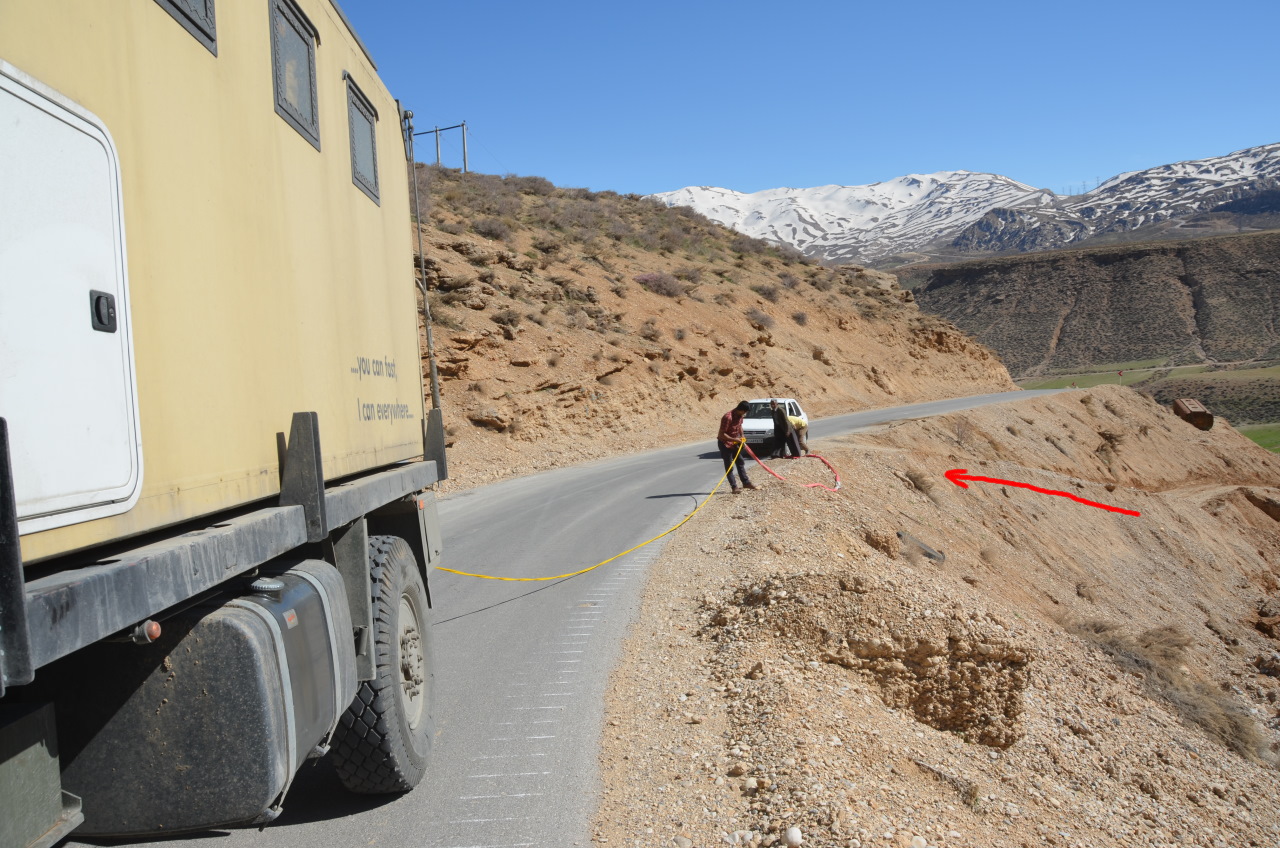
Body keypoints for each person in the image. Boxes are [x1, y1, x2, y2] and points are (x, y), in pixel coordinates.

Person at [717, 401, 758, 493]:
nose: (745, 414)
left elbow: (740, 426)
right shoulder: (728, 417)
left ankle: (746, 483)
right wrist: (734, 439)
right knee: (729, 466)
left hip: (735, 443)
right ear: (741, 410)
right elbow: (721, 434)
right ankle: (734, 487)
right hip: (725, 444)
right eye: (745, 412)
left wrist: (742, 435)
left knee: (740, 462)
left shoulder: (740, 416)